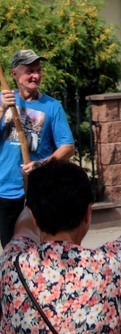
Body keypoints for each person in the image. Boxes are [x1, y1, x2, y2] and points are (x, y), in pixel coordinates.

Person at [0, 158, 121, 332]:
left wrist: (32, 195)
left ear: (35, 216)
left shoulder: (11, 264)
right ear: (88, 214)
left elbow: (23, 229)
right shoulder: (111, 263)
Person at [0, 50, 75, 247]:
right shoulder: (3, 100)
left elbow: (68, 147)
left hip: (39, 192)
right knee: (11, 252)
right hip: (6, 191)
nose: (36, 76)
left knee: (42, 250)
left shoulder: (52, 106)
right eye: (29, 71)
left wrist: (41, 165)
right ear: (14, 74)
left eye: (38, 70)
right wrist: (2, 109)